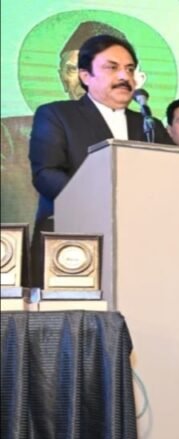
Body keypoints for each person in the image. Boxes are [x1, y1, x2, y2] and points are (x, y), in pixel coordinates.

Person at [27, 33, 172, 285]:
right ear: (85, 76)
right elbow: (46, 174)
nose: (124, 76)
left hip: (140, 247)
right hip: (72, 244)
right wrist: (106, 206)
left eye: (130, 69)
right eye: (112, 67)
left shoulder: (150, 125)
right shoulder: (57, 114)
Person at [1, 22, 125, 264]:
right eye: (72, 70)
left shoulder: (144, 133)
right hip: (55, 255)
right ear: (61, 76)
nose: (81, 80)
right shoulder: (12, 138)